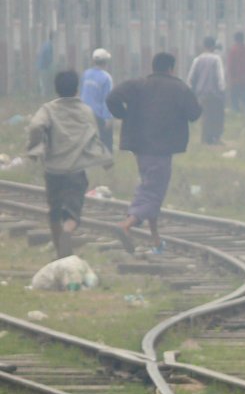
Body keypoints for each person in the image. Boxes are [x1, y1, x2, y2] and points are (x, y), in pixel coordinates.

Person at [107, 52, 203, 251]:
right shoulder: (179, 88)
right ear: (171, 68)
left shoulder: (138, 85)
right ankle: (126, 225)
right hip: (160, 150)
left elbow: (112, 97)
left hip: (140, 148)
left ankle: (156, 240)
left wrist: (125, 116)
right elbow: (195, 113)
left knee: (150, 187)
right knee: (153, 192)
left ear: (154, 67)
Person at [27, 70, 113, 258]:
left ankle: (60, 251)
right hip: (76, 170)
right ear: (77, 89)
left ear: (56, 89)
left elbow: (35, 126)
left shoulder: (48, 109)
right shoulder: (85, 110)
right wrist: (104, 158)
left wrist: (36, 147)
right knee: (73, 212)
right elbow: (94, 137)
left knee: (54, 211)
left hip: (53, 170)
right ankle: (68, 232)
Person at [187, 37, 226, 145]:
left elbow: (191, 77)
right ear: (213, 46)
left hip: (201, 94)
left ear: (204, 46)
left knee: (205, 117)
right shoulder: (216, 59)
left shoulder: (197, 60)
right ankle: (215, 137)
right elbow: (220, 76)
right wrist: (222, 89)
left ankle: (205, 138)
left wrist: (191, 90)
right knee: (216, 116)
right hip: (215, 94)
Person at [80, 48, 114, 152]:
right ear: (106, 62)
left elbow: (82, 92)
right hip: (98, 114)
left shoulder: (86, 74)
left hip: (84, 112)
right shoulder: (106, 77)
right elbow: (107, 99)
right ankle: (106, 158)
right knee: (105, 139)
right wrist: (108, 118)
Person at [227, 31, 245, 113]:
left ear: (235, 40)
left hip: (235, 79)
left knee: (234, 96)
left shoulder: (233, 51)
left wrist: (230, 77)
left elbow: (230, 65)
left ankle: (236, 111)